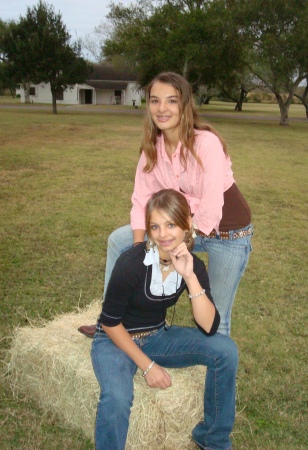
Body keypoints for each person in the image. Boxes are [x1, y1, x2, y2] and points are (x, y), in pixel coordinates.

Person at [79, 71, 252, 339]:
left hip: (227, 232)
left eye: (171, 101)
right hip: (182, 225)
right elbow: (141, 201)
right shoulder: (152, 148)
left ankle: (217, 373)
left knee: (218, 315)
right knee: (118, 241)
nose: (162, 108)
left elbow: (210, 209)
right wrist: (138, 251)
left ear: (185, 105)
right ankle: (111, 321)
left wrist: (175, 245)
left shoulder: (207, 144)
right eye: (154, 100)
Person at [91, 189, 238, 450]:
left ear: (187, 225)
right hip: (115, 340)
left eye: (171, 224)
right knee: (117, 396)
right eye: (155, 226)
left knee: (225, 351)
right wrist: (147, 367)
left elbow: (209, 326)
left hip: (157, 336)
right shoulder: (132, 263)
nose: (163, 235)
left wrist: (190, 277)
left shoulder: (193, 266)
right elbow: (110, 322)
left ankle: (212, 440)